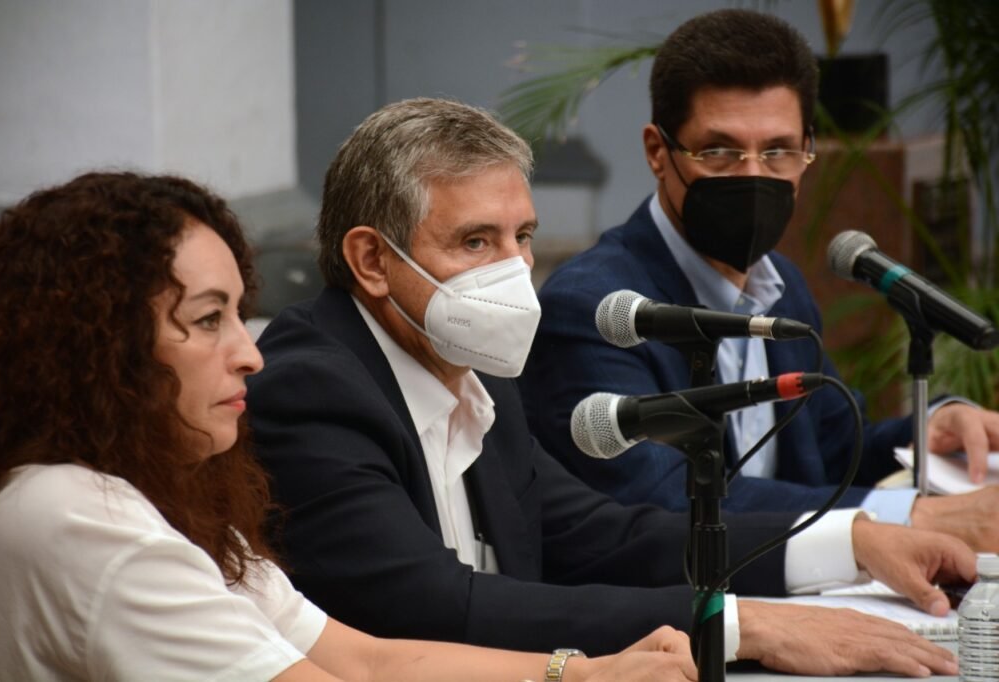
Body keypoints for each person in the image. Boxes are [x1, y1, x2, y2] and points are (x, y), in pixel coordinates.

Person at [248, 96, 971, 677]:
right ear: (372, 260)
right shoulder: (313, 389)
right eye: (475, 242)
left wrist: (853, 542)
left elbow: (602, 537)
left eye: (522, 237)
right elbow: (434, 608)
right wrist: (736, 626)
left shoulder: (472, 371)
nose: (513, 271)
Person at [0, 171, 699, 682]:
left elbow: (365, 660)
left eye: (238, 314)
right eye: (208, 319)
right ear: (98, 345)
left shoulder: (165, 497)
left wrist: (581, 674)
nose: (249, 354)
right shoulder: (78, 515)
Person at [518, 8, 999, 551]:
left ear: (806, 150)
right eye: (719, 152)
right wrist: (911, 516)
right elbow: (666, 503)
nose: (753, 176)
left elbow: (833, 452)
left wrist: (934, 427)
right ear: (658, 152)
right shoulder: (598, 310)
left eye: (777, 152)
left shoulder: (780, 286)